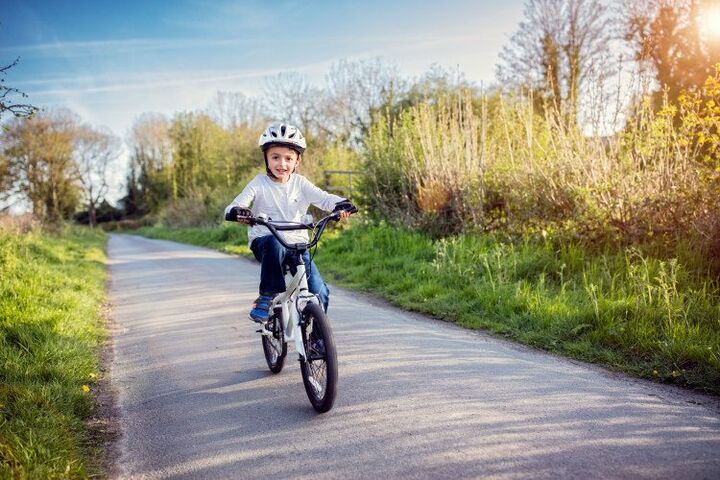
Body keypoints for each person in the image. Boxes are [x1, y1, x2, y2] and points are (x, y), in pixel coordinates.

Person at [224, 122, 355, 322]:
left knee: (320, 291)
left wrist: (341, 204)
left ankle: (317, 339)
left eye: (288, 158)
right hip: (266, 242)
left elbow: (324, 198)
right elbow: (235, 205)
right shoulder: (259, 183)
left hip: (298, 245)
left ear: (297, 161)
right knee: (274, 243)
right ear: (266, 158)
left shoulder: (300, 183)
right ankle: (267, 295)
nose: (282, 164)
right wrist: (239, 212)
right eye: (275, 157)